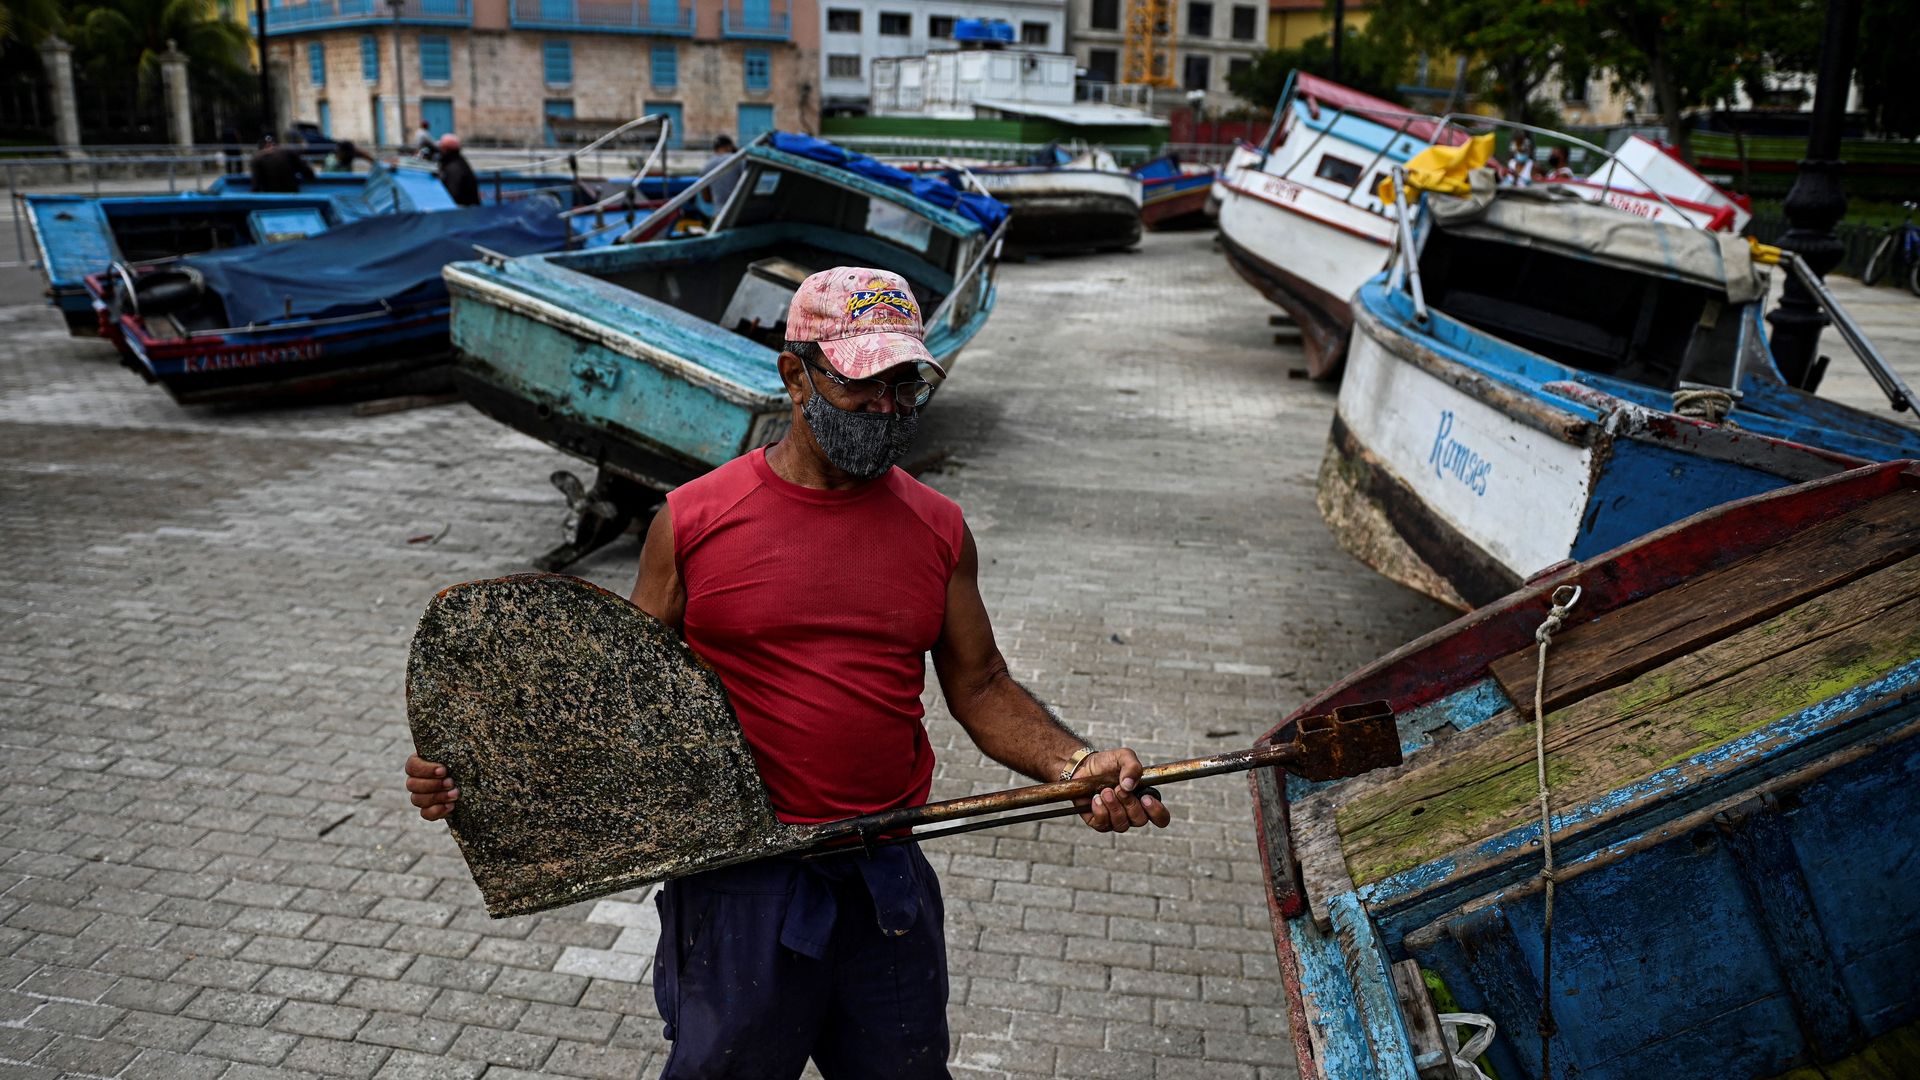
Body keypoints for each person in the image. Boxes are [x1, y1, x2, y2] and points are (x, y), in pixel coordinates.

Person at [406, 267, 1172, 1079]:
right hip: (738, 883)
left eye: (903, 384)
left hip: (885, 880)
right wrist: (480, 776)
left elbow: (981, 687)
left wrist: (1075, 765)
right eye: (861, 384)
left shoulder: (939, 529)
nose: (887, 408)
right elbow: (619, 708)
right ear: (793, 374)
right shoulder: (694, 520)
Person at [248, 134, 315, 194]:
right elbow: (308, 172)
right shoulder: (288, 152)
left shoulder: (257, 159)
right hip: (292, 197)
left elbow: (255, 187)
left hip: (271, 199)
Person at [700, 134, 744, 212]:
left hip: (720, 214)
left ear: (715, 149)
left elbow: (706, 198)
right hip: (739, 211)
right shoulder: (738, 160)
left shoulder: (706, 166)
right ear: (729, 146)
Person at [435, 134, 481, 206]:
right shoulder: (458, 162)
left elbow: (453, 195)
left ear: (445, 149)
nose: (439, 150)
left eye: (441, 147)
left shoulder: (454, 168)